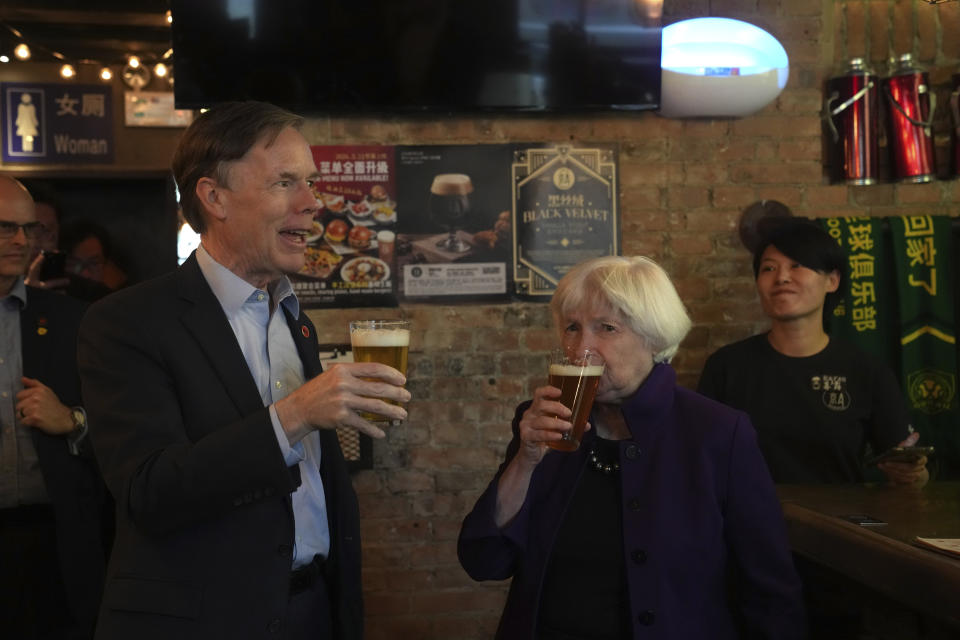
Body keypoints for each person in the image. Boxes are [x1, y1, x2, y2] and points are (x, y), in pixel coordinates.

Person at [77, 101, 410, 640]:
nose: (312, 203)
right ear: (214, 197)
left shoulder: (292, 317)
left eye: (311, 182)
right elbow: (149, 491)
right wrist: (296, 414)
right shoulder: (125, 321)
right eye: (285, 183)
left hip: (314, 609)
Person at [458, 255, 806, 640]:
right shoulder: (543, 424)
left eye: (606, 328)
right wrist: (525, 462)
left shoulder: (718, 433)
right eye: (572, 327)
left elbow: (770, 591)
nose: (580, 348)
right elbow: (483, 560)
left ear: (654, 337)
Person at [697, 215, 928, 486]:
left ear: (832, 281)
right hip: (748, 523)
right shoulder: (726, 367)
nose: (782, 277)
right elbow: (698, 458)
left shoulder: (867, 371)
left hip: (841, 524)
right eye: (768, 269)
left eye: (797, 265)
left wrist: (914, 475)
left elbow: (909, 469)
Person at [0, 175, 109, 639]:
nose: (22, 240)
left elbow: (123, 429)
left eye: (30, 229)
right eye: (6, 227)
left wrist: (71, 421)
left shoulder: (71, 320)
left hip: (57, 546)